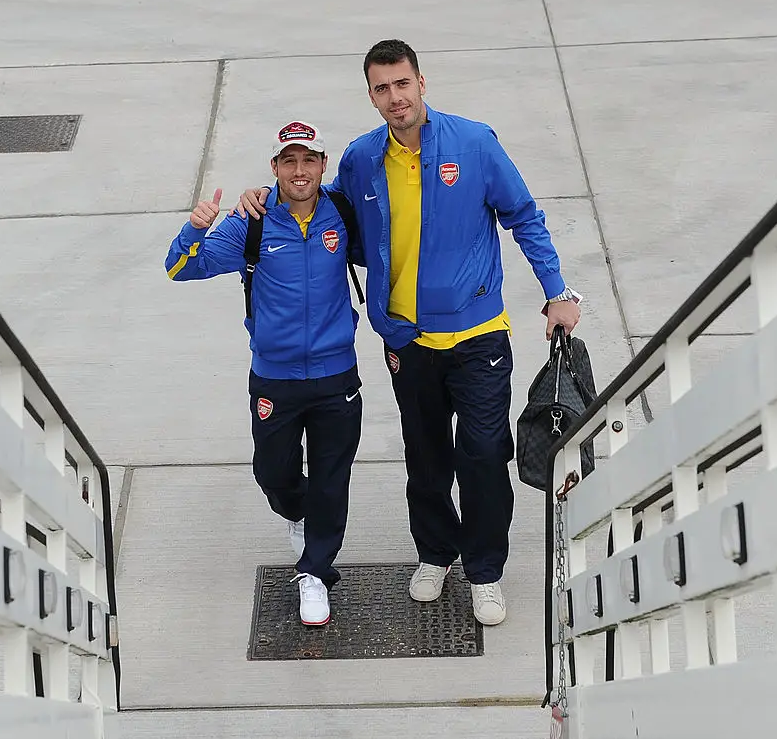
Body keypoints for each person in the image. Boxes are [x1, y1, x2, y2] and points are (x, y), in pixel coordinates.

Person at [234, 40, 582, 627]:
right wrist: (265, 199)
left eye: (402, 84)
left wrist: (557, 292)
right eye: (381, 89)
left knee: (482, 454)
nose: (395, 98)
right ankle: (436, 554)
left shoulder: (474, 143)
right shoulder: (362, 158)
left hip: (477, 334)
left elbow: (523, 215)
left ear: (422, 82)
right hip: (406, 341)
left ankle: (486, 571)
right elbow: (323, 212)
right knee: (425, 458)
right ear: (370, 96)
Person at [165, 120, 364, 626]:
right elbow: (180, 268)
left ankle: (316, 572)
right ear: (274, 168)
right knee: (273, 474)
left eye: (310, 160)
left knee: (331, 478)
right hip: (273, 377)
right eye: (289, 161)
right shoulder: (251, 223)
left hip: (336, 373)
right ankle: (297, 514)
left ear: (323, 165)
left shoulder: (343, 212)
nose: (300, 171)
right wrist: (197, 225)